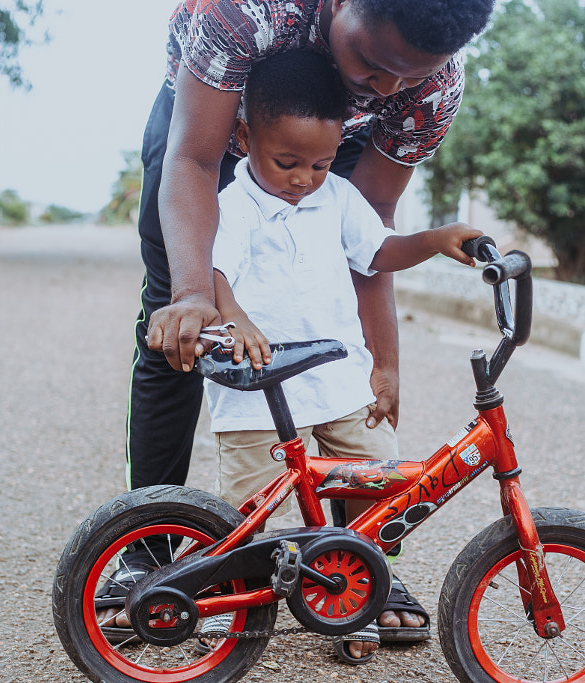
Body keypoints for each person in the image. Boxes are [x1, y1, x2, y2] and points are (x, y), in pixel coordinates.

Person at [111, 0, 497, 658]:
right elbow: (196, 161)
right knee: (178, 329)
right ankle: (147, 553)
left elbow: (370, 228)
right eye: (373, 62)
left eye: (409, 76)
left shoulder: (428, 89)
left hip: (323, 135)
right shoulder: (246, 14)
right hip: (204, 126)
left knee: (359, 450)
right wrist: (195, 296)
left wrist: (383, 360)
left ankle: (356, 568)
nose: (386, 88)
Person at [202, 49, 483, 662]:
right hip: (260, 390)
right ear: (245, 137)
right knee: (244, 513)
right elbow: (215, 268)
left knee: (379, 487)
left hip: (340, 383)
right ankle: (223, 599)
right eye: (287, 163)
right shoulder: (233, 204)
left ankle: (358, 591)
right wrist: (234, 316)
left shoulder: (337, 197)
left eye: (321, 163)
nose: (304, 178)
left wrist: (435, 239)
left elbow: (377, 253)